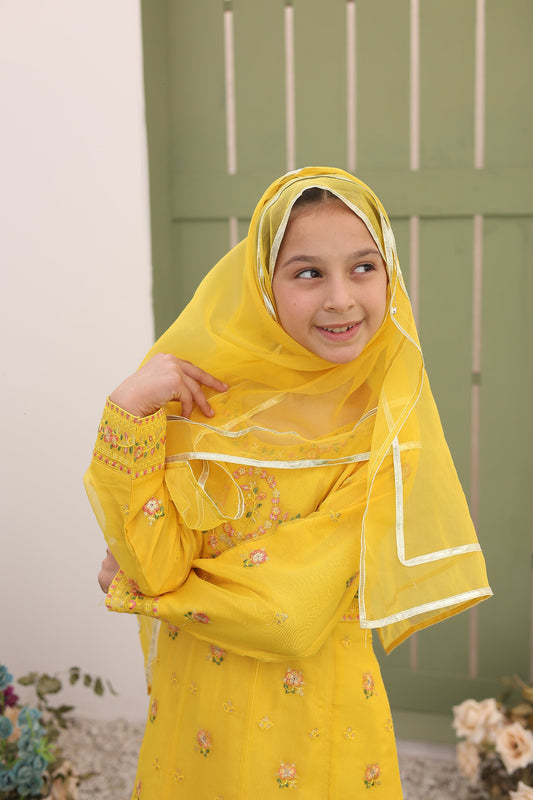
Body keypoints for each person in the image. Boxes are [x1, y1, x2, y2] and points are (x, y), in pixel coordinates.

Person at [85, 167, 492, 799]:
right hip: (196, 729)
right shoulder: (209, 406)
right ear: (263, 283)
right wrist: (129, 412)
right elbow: (154, 561)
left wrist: (143, 598)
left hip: (317, 741)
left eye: (363, 267)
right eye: (308, 272)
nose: (340, 298)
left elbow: (288, 614)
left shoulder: (382, 432)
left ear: (390, 274)